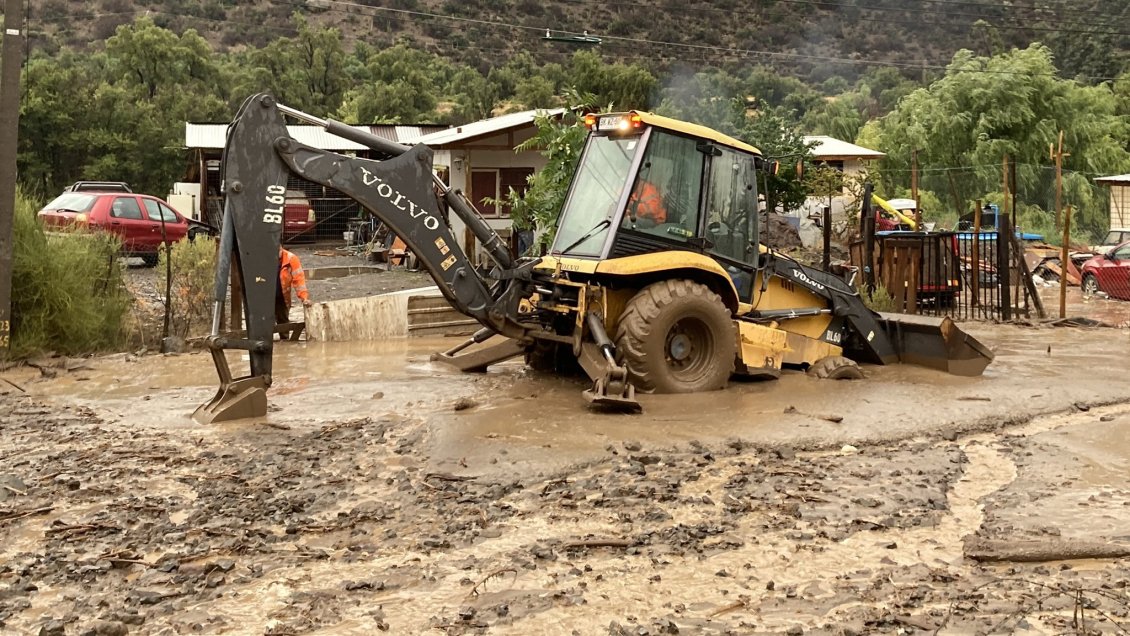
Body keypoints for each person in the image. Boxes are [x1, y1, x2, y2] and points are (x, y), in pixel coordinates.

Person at [276, 247, 311, 328]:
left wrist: (304, 298)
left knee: (283, 321)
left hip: (281, 296)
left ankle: (284, 339)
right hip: (266, 295)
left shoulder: (291, 259)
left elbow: (299, 280)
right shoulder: (263, 258)